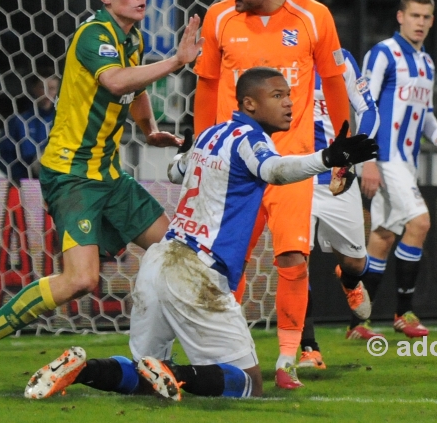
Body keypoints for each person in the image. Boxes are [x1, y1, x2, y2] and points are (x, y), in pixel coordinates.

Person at [23, 68, 378, 401]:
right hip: (197, 272)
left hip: (159, 259)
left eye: (289, 95)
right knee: (249, 385)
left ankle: (84, 369)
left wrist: (183, 154)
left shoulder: (211, 134)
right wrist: (327, 158)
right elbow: (275, 171)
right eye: (277, 95)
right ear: (250, 104)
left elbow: (176, 171)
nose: (288, 102)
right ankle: (173, 371)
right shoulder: (249, 140)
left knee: (145, 380)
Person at [0, 0, 204, 384]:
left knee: (178, 255)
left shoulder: (132, 38)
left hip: (108, 174)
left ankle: (167, 359)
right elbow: (117, 82)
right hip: (72, 175)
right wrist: (178, 60)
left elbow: (135, 87)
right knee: (81, 280)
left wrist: (150, 129)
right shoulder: (94, 35)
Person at [193, 0, 350, 389]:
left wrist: (342, 151)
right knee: (225, 265)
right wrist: (200, 146)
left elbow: (335, 84)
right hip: (233, 170)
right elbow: (206, 85)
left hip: (292, 161)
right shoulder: (218, 19)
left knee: (294, 260)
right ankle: (224, 354)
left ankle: (286, 361)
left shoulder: (313, 17)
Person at [357, 0, 437, 339]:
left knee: (383, 238)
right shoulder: (383, 53)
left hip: (407, 161)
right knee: (420, 222)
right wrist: (366, 159)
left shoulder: (426, 62)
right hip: (385, 158)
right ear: (401, 16)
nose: (421, 23)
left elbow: (425, 113)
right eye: (415, 16)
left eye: (427, 17)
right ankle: (403, 312)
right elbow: (363, 106)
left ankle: (358, 322)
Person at [298, 54, 382, 369]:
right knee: (296, 262)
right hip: (295, 177)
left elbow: (369, 109)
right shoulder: (279, 56)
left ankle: (349, 281)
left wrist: (357, 151)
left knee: (356, 262)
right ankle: (309, 348)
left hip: (337, 176)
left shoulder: (342, 60)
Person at [0, 76, 59, 183]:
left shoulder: (63, 121)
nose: (48, 93)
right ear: (34, 89)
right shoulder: (18, 121)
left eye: (52, 88)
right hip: (25, 183)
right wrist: (23, 176)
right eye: (43, 88)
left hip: (55, 184)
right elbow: (3, 155)